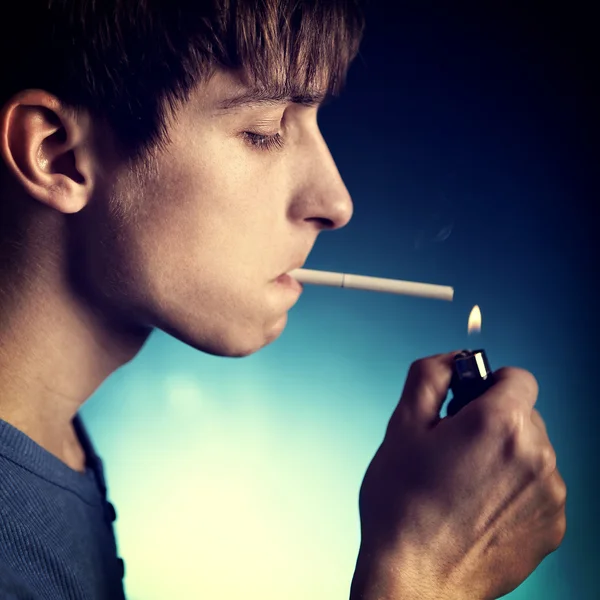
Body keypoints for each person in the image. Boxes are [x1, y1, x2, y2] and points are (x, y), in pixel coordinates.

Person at [0, 1, 566, 598]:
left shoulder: (52, 449)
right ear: (56, 154)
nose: (336, 201)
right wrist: (421, 576)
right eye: (264, 131)